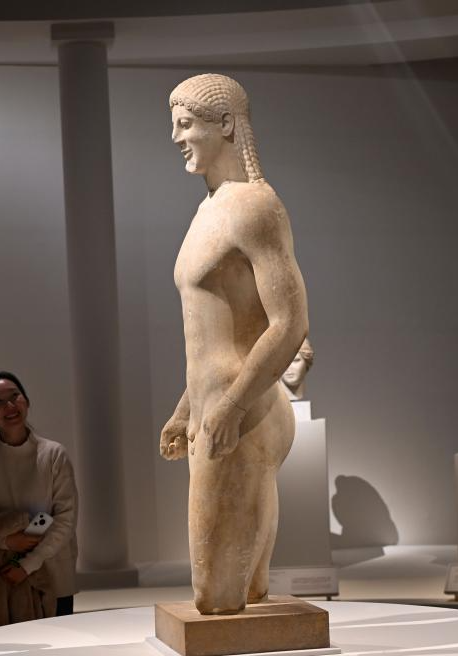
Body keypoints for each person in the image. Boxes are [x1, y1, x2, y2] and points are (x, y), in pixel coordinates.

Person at [160, 74, 308, 615]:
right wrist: (187, 409)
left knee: (214, 599)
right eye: (174, 125)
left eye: (186, 124)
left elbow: (290, 323)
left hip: (241, 413)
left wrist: (232, 405)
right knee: (242, 595)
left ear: (225, 124)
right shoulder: (211, 208)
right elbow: (218, 330)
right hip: (216, 409)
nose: (176, 137)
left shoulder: (254, 206)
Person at [0, 372, 78, 626]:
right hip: (0, 579)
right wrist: (7, 541)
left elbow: (65, 518)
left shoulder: (53, 454)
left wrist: (27, 564)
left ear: (26, 401)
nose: (10, 405)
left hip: (51, 577)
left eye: (15, 396)